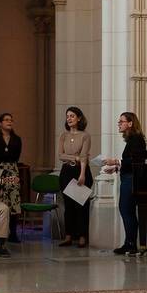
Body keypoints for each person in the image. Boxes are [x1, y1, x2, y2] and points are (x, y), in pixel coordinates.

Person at [103, 112, 146, 255]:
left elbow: (136, 160)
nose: (119, 124)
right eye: (119, 121)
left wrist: (116, 161)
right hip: (128, 177)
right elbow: (130, 161)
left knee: (126, 210)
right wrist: (116, 168)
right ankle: (129, 242)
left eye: (121, 121)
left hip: (131, 179)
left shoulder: (137, 138)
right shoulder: (132, 139)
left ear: (130, 123)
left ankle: (131, 244)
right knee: (126, 210)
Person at [58, 106, 92, 248]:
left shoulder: (85, 136)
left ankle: (83, 236)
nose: (69, 118)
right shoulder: (63, 135)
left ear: (79, 118)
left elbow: (84, 157)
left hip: (80, 171)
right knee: (69, 206)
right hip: (66, 172)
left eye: (72, 116)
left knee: (81, 205)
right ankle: (68, 236)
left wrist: (82, 174)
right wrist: (75, 157)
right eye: (67, 116)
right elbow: (60, 156)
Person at [0, 113, 23, 242]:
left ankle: (13, 233)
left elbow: (17, 157)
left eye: (11, 120)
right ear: (0, 123)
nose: (9, 122)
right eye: (6, 120)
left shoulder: (17, 139)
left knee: (13, 201)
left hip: (11, 170)